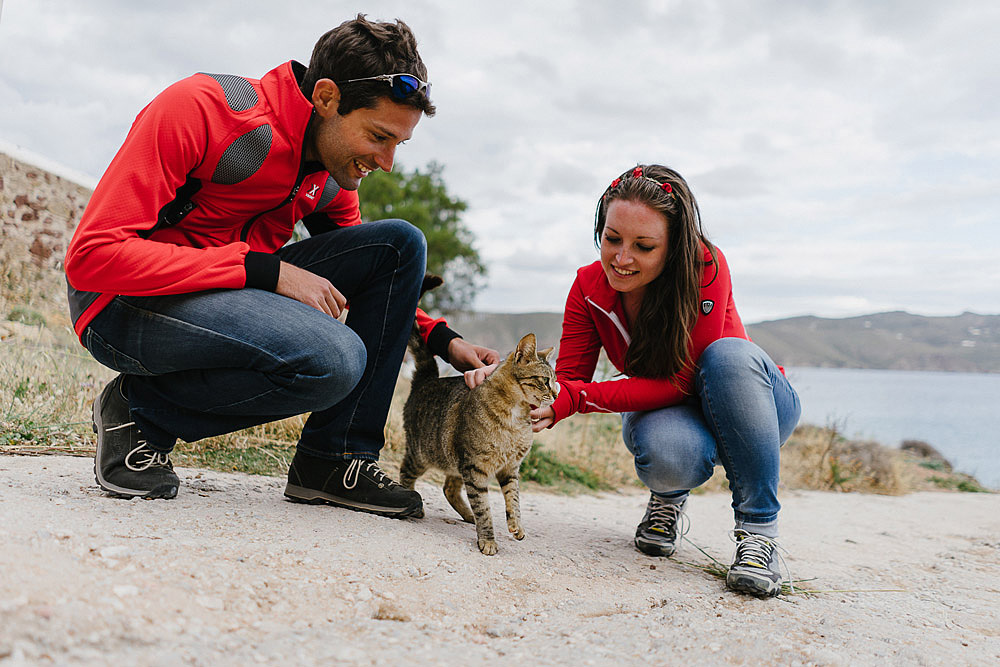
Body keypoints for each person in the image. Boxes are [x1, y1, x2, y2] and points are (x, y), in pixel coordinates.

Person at [64, 15, 499, 518]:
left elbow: (381, 286)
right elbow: (92, 258)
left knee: (400, 245)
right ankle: (139, 415)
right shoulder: (204, 108)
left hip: (227, 294)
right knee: (333, 358)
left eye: (399, 143)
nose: (387, 162)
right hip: (121, 306)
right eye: (379, 136)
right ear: (327, 98)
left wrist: (443, 340)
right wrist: (265, 271)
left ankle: (333, 461)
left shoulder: (330, 176)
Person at [467, 164, 800, 597]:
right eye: (612, 239)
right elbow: (568, 381)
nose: (621, 259)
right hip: (675, 418)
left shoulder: (707, 267)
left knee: (728, 355)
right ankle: (668, 496)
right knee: (667, 452)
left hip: (758, 410)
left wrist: (579, 399)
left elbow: (682, 381)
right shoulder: (588, 286)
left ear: (673, 246)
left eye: (643, 246)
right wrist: (508, 381)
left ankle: (759, 536)